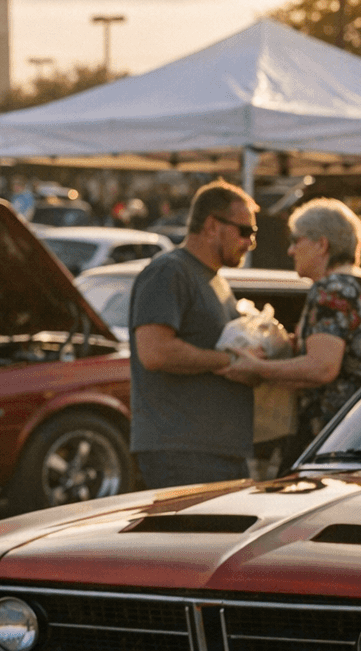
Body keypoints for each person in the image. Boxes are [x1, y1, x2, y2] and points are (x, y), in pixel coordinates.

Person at [222, 198, 361, 451]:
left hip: (335, 441)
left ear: (321, 244)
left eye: (296, 241)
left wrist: (258, 368)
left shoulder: (331, 290)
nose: (291, 251)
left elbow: (322, 368)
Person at [128, 179, 261, 489]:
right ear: (212, 225)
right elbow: (155, 352)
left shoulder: (215, 279)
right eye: (245, 232)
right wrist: (229, 360)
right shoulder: (169, 271)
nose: (250, 243)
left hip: (216, 451)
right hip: (182, 452)